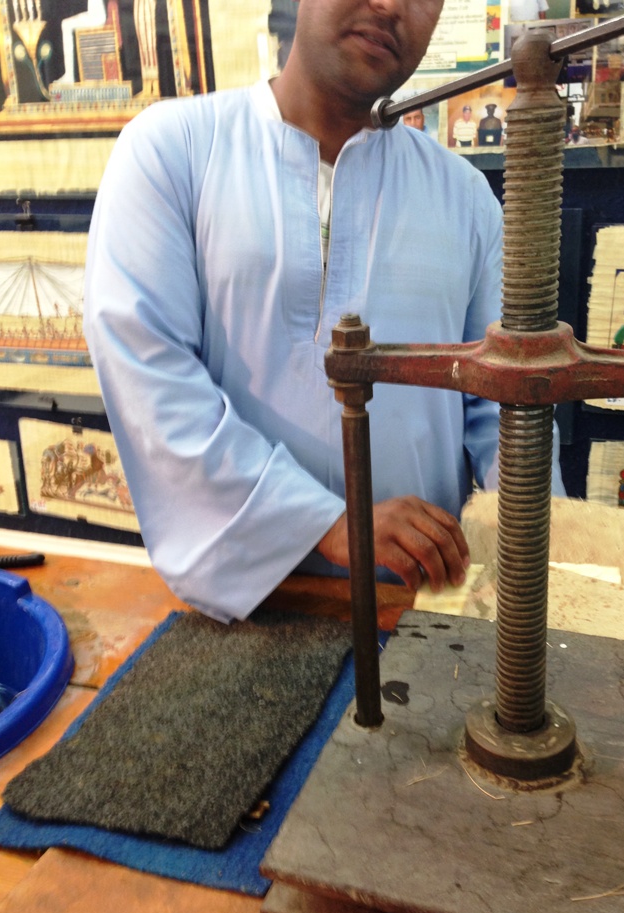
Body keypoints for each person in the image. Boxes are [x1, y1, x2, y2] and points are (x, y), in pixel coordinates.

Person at [84, 0, 565, 625]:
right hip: (248, 605)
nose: (391, 6)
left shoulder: (466, 199)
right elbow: (146, 368)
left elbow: (506, 407)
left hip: (419, 606)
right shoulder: (174, 152)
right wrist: (325, 524)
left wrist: (547, 571)